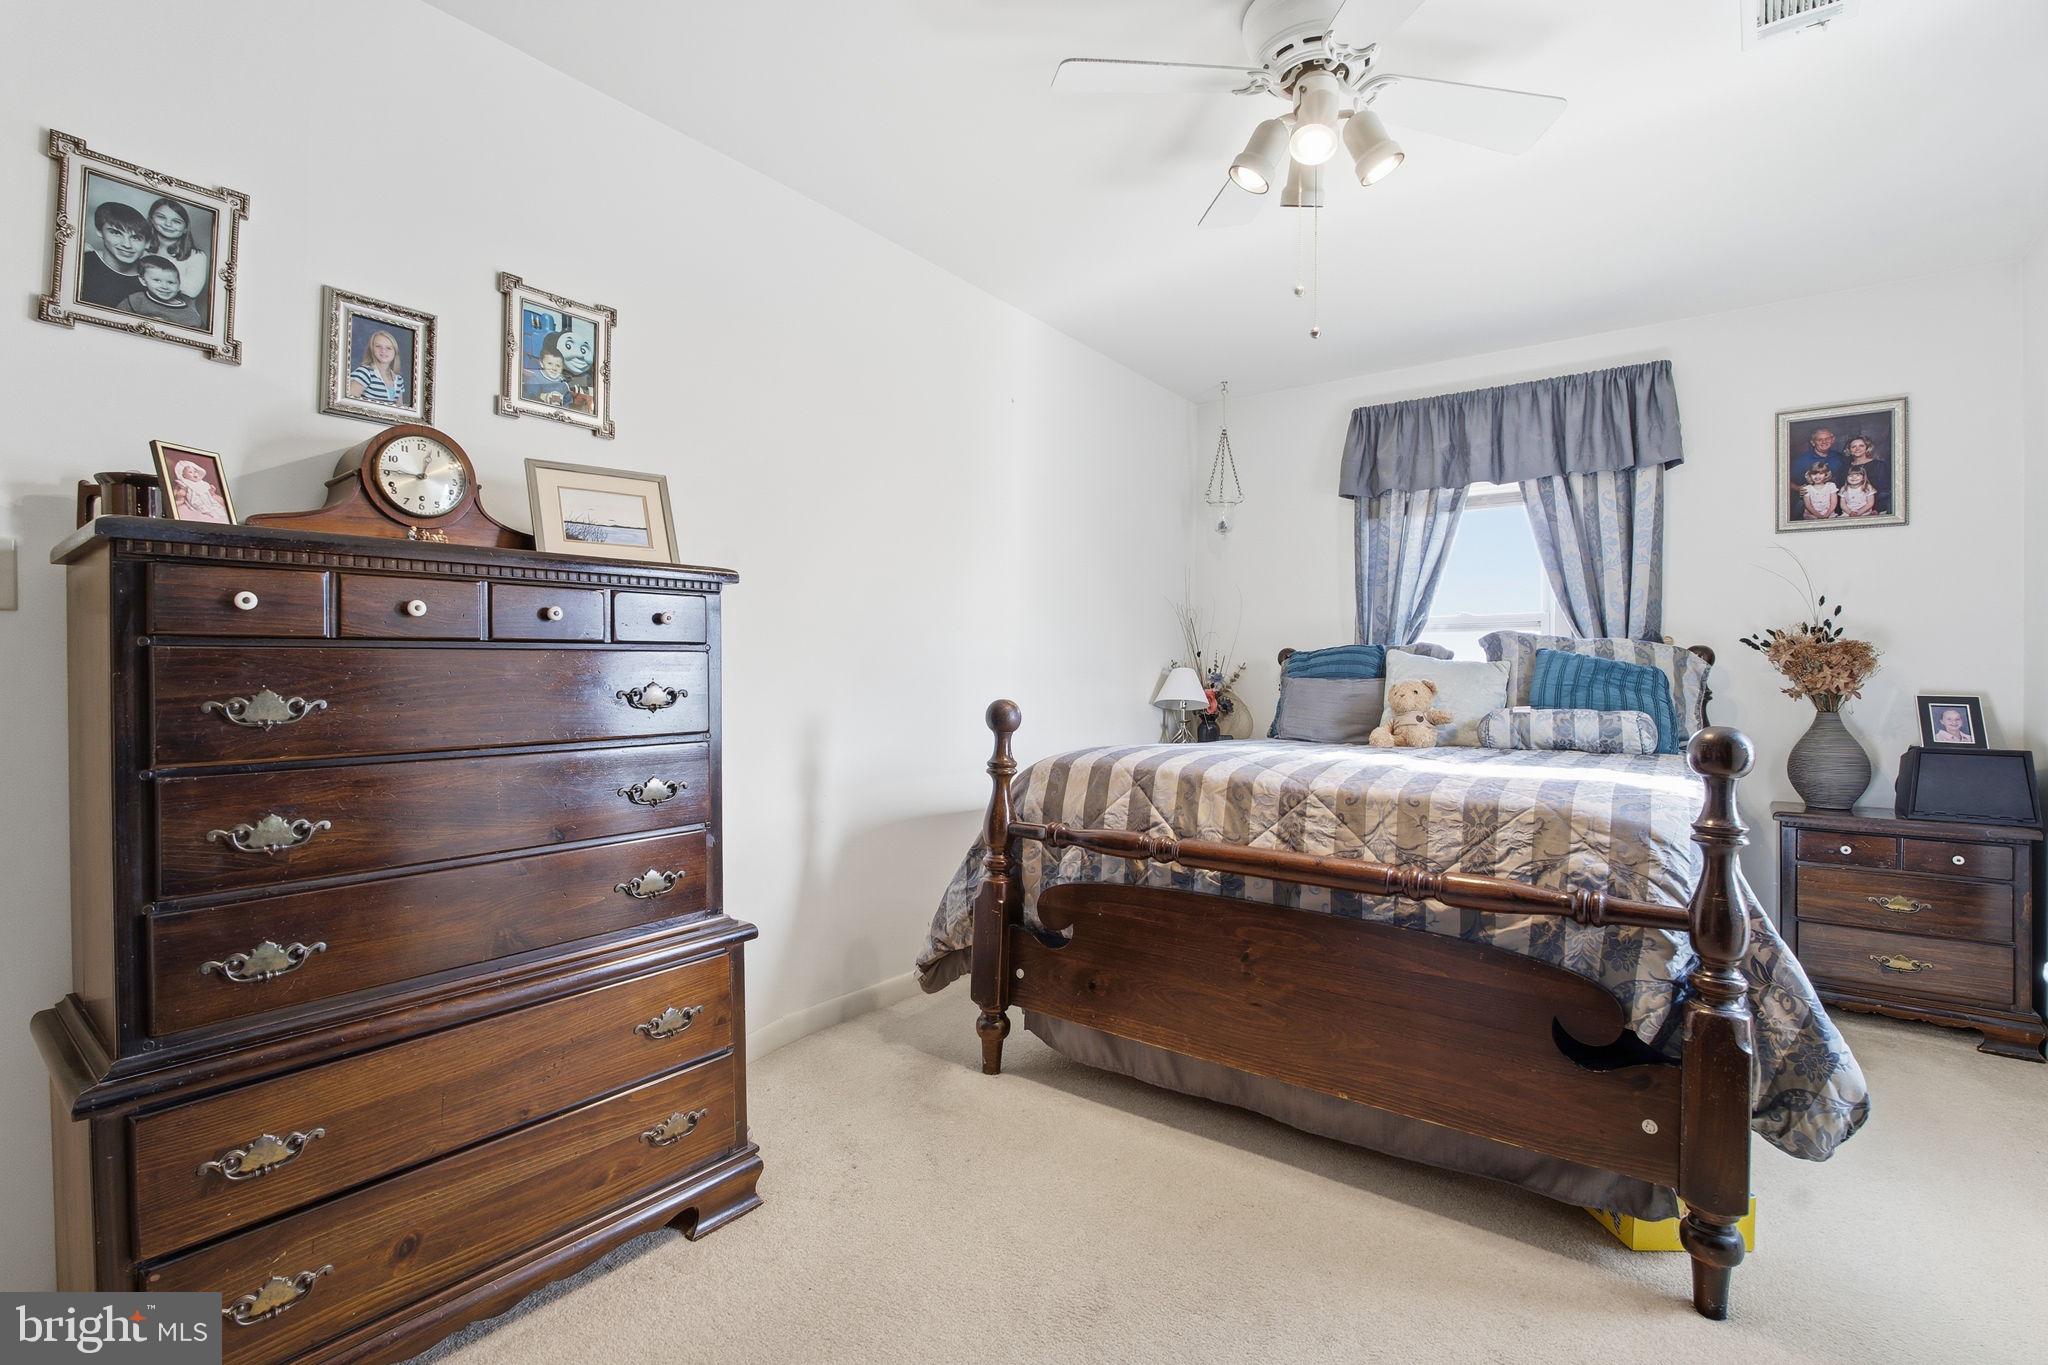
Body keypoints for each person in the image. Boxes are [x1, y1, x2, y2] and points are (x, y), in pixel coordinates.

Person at [79, 200, 151, 308]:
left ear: (147, 243)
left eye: (136, 238)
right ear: (99, 231)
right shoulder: (81, 263)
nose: (127, 245)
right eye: (116, 233)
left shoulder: (155, 281)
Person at [146, 197, 210, 312]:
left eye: (177, 221)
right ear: (151, 219)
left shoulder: (196, 256)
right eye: (161, 217)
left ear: (185, 228)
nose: (168, 224)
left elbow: (191, 291)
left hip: (179, 313)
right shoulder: (141, 249)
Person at [118, 255, 205, 328]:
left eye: (171, 282)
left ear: (179, 286)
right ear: (143, 281)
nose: (164, 287)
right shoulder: (135, 300)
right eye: (157, 280)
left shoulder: (188, 314)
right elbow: (117, 318)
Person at [346, 329, 407, 406]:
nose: (383, 351)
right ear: (372, 349)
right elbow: (348, 404)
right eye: (378, 346)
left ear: (395, 352)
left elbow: (400, 409)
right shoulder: (364, 373)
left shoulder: (398, 380)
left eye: (388, 348)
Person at [1842, 435, 1892, 514]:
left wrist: (1877, 509)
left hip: (1874, 509)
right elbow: (1843, 491)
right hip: (1850, 510)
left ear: (1867, 448)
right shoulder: (1845, 467)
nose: (1857, 448)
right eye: (1853, 447)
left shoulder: (1879, 465)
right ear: (1849, 450)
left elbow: (1884, 490)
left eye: (1861, 446)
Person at [169, 458, 230, 523]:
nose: (194, 474)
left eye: (195, 471)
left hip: (207, 500)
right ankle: (207, 511)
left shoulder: (202, 483)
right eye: (190, 472)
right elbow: (178, 496)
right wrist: (181, 494)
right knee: (202, 508)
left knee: (216, 507)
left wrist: (212, 491)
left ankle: (214, 511)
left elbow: (209, 494)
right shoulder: (184, 484)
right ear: (183, 475)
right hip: (196, 502)